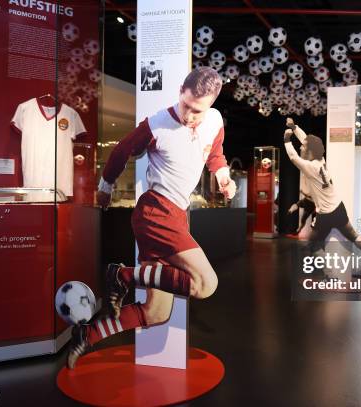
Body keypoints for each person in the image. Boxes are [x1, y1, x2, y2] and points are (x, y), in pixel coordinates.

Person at [67, 67, 236, 369]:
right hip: (156, 213)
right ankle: (122, 275)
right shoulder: (157, 125)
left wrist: (223, 176)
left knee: (156, 313)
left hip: (176, 216)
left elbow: (215, 154)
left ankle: (88, 333)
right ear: (180, 91)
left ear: (211, 105)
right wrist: (105, 188)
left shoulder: (214, 121)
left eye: (198, 111)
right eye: (186, 106)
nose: (189, 117)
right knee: (206, 284)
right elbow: (121, 151)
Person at [282, 117, 361, 274]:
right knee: (354, 236)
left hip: (325, 215)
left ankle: (330, 274)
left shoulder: (309, 167)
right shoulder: (320, 159)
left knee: (313, 245)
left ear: (310, 151)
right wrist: (295, 127)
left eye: (304, 148)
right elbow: (306, 140)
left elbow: (292, 157)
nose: (302, 148)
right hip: (339, 207)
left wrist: (287, 139)